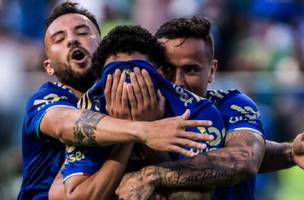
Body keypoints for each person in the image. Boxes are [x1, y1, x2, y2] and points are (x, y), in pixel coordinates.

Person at [18, 4, 213, 199]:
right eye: (59, 39)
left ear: (100, 44)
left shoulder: (137, 101)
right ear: (48, 66)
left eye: (82, 32)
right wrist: (143, 129)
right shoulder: (45, 99)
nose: (72, 40)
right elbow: (65, 125)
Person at [116, 17, 304, 200]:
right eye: (167, 69)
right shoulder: (130, 109)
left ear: (212, 71)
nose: (178, 82)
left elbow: (243, 159)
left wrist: (151, 175)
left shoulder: (231, 104)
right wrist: (143, 129)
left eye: (190, 70)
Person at [58, 24, 225, 200]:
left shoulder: (199, 113)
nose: (128, 85)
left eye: (140, 74)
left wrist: (150, 138)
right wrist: (131, 133)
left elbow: (197, 195)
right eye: (115, 76)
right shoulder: (87, 116)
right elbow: (78, 197)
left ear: (159, 74)